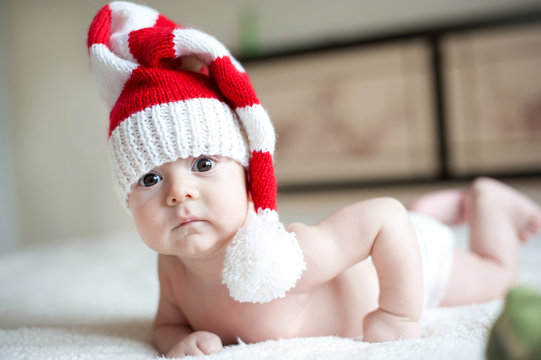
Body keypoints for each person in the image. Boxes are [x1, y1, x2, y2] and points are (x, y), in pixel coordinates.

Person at [87, 2, 541, 358]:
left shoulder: (292, 256)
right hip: (389, 245)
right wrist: (176, 343)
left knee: (496, 276)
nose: (178, 193)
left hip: (412, 260)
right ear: (127, 200)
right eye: (149, 178)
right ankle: (438, 209)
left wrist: (398, 312)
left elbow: (385, 217)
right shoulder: (172, 268)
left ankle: (489, 202)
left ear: (248, 175)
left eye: (204, 165)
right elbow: (167, 324)